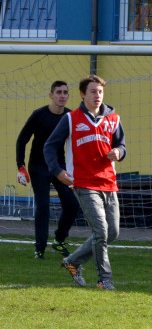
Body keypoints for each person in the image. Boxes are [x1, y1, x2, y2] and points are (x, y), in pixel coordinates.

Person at [44, 75, 125, 290]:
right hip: (83, 182)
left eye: (100, 91)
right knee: (101, 231)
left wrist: (119, 152)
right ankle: (104, 280)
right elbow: (49, 146)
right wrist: (57, 171)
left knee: (112, 232)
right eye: (93, 91)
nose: (98, 95)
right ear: (82, 94)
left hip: (108, 181)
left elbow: (122, 145)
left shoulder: (113, 118)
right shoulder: (71, 119)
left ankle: (72, 261)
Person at [15, 80, 79, 260]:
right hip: (38, 166)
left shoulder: (70, 116)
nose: (62, 96)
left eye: (65, 92)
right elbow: (22, 140)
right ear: (51, 95)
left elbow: (76, 144)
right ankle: (40, 249)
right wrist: (20, 166)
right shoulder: (39, 115)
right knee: (43, 206)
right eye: (58, 92)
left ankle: (59, 240)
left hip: (59, 167)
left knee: (72, 205)